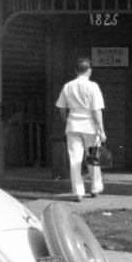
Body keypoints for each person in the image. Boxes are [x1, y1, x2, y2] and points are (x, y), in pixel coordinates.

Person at [55, 56, 106, 201]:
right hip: (89, 125)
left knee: (74, 159)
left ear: (76, 70)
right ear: (89, 70)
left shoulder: (68, 86)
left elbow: (61, 108)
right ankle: (95, 187)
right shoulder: (93, 86)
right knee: (93, 158)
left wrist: (67, 121)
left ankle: (78, 192)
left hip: (73, 124)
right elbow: (97, 110)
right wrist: (101, 129)